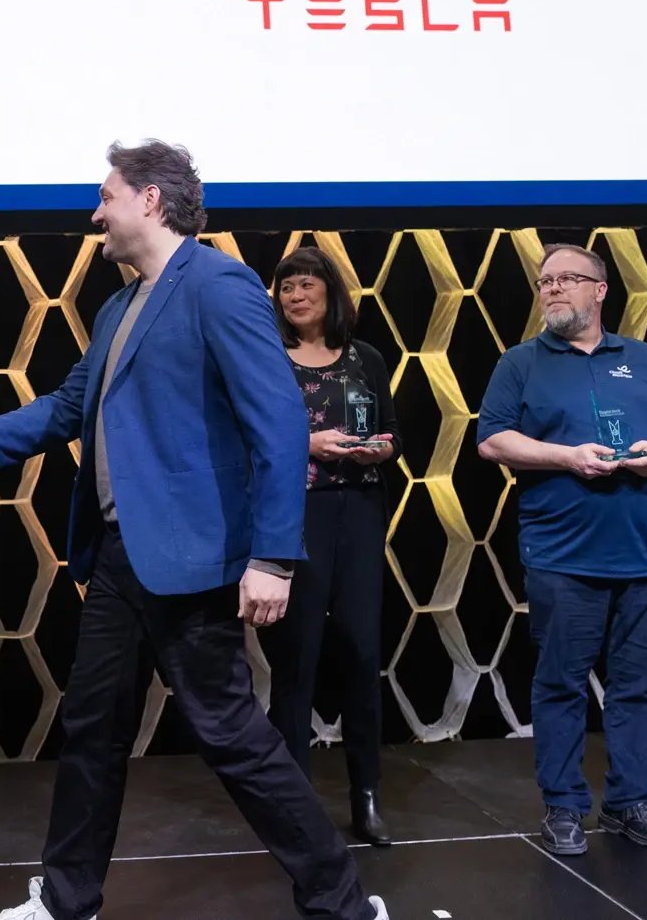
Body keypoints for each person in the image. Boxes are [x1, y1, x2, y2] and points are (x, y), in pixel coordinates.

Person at [0, 141, 386, 920]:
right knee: (92, 729)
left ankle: (345, 904)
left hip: (191, 558)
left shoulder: (219, 286)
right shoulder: (117, 309)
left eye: (106, 196)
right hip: (118, 557)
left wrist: (274, 557)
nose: (96, 214)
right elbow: (65, 409)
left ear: (150, 200)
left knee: (231, 735)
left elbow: (280, 421)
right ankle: (66, 901)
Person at [475, 243, 647, 856]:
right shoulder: (520, 363)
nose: (552, 289)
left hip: (645, 555)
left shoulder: (645, 358)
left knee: (638, 687)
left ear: (600, 290)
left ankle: (631, 804)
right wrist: (566, 456)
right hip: (562, 554)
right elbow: (492, 440)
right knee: (561, 684)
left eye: (566, 279)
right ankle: (563, 806)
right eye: (545, 281)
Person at [261, 246, 397, 846]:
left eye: (306, 284)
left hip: (360, 513)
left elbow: (394, 434)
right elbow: (253, 436)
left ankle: (366, 797)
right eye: (287, 286)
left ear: (330, 292)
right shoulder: (268, 359)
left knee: (363, 654)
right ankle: (294, 807)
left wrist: (379, 449)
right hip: (295, 515)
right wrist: (308, 444)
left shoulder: (367, 358)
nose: (296, 295)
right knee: (297, 659)